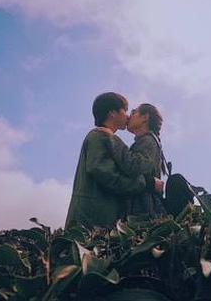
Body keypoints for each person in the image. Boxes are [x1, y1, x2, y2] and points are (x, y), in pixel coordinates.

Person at [65, 92, 150, 229]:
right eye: (125, 110)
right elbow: (105, 173)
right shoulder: (98, 136)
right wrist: (143, 183)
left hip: (97, 218)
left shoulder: (104, 137)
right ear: (112, 113)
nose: (128, 116)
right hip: (90, 220)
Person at [97, 103, 167, 219]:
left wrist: (112, 140)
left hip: (143, 211)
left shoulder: (149, 141)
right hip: (141, 208)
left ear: (145, 117)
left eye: (134, 112)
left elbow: (135, 166)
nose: (129, 116)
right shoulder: (146, 141)